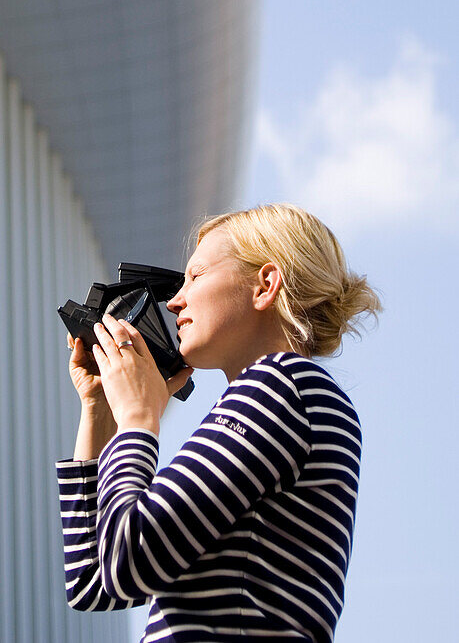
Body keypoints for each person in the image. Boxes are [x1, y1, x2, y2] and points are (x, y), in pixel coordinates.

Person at [57, 203, 382, 642]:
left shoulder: (280, 386)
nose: (174, 300)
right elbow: (92, 582)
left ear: (265, 285)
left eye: (196, 275)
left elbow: (127, 561)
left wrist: (138, 418)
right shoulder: (284, 396)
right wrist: (100, 413)